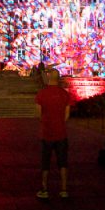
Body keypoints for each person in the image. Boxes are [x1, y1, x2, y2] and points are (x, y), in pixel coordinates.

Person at [35, 68, 73, 199]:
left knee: (45, 162)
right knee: (63, 163)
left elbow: (39, 114)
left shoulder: (42, 94)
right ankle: (63, 189)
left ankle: (44, 189)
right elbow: (67, 116)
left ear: (49, 77)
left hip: (46, 133)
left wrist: (47, 121)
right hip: (61, 133)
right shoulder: (64, 94)